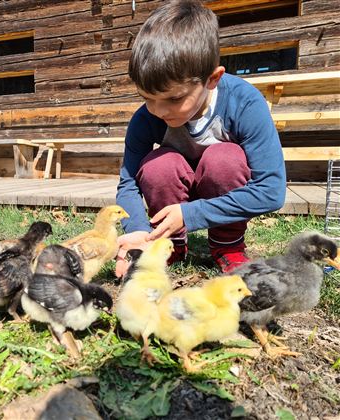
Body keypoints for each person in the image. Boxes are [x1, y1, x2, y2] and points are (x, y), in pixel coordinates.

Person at [115, 0, 286, 276]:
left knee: (225, 159)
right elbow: (128, 183)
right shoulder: (145, 118)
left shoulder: (244, 103)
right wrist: (138, 230)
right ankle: (169, 244)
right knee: (159, 165)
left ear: (212, 79)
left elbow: (271, 190)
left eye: (174, 98)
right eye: (147, 98)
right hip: (175, 191)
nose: (159, 110)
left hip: (220, 186)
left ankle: (227, 245)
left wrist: (190, 214)